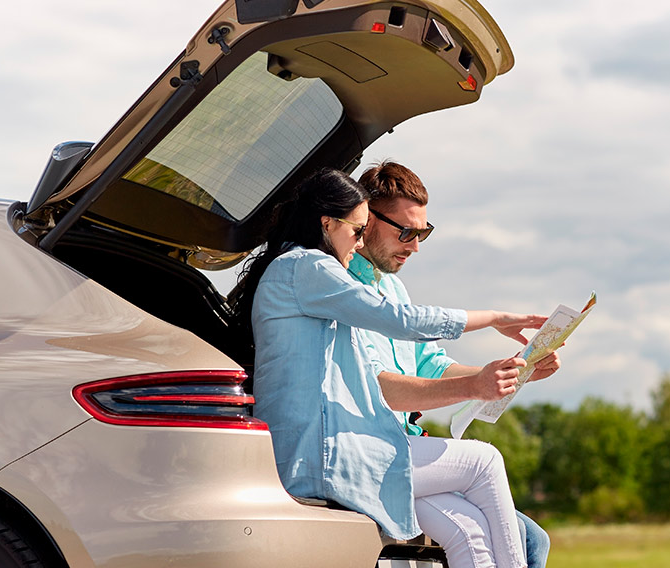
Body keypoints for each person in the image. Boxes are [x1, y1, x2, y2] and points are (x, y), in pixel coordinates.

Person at [229, 169, 543, 568]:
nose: (359, 242)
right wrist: (495, 318)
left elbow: (424, 357)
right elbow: (404, 321)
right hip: (325, 451)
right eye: (357, 230)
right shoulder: (308, 267)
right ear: (328, 223)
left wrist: (514, 371)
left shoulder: (303, 271)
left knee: (470, 532)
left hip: (336, 445)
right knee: (485, 463)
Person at [347, 161, 555, 568]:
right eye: (405, 232)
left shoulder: (392, 286)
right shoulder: (344, 290)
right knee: (522, 536)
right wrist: (478, 386)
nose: (415, 246)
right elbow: (381, 389)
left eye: (423, 232)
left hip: (408, 450)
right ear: (364, 219)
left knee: (515, 536)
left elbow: (431, 364)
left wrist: (517, 370)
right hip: (379, 452)